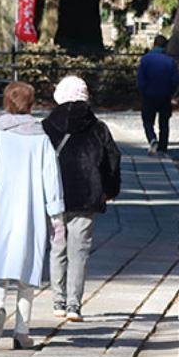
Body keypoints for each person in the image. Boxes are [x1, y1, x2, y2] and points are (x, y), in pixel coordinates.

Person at [0, 82, 65, 350]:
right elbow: (52, 179)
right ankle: (22, 331)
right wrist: (56, 216)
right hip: (32, 210)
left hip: (1, 207)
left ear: (6, 104)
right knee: (27, 271)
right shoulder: (41, 138)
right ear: (32, 105)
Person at [43, 76, 122, 322]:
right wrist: (109, 190)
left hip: (54, 196)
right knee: (79, 251)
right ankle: (73, 305)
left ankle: (57, 300)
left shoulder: (46, 126)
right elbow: (112, 161)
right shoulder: (98, 128)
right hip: (87, 195)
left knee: (57, 248)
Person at [137, 34, 179, 155]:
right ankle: (163, 147)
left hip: (149, 95)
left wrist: (143, 91)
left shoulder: (145, 59)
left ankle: (152, 138)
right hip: (165, 95)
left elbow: (141, 79)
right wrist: (171, 92)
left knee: (147, 121)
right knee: (164, 122)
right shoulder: (170, 61)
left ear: (154, 44)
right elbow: (175, 80)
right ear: (165, 46)